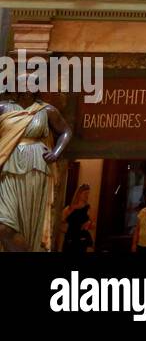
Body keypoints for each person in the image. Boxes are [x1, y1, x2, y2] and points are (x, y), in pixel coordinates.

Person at [0, 82, 72, 252]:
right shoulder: (3, 108)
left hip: (36, 167)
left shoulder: (46, 111)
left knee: (29, 222)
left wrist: (56, 153)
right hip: (8, 163)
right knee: (3, 225)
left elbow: (66, 131)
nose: (26, 87)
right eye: (22, 83)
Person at [61, 184, 94, 253]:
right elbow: (61, 225)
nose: (87, 195)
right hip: (69, 239)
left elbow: (93, 225)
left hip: (81, 240)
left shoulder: (88, 208)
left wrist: (88, 224)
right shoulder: (69, 208)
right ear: (79, 194)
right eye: (85, 193)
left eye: (88, 193)